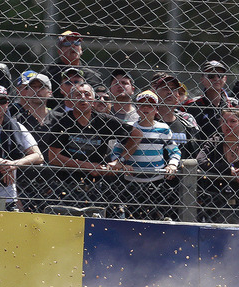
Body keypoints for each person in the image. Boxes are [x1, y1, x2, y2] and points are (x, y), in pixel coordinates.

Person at [46, 83, 141, 211]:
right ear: (71, 100)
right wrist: (86, 166)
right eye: (78, 95)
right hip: (66, 183)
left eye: (87, 94)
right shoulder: (62, 122)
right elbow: (53, 157)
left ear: (93, 101)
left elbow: (136, 135)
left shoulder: (104, 121)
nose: (83, 98)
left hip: (98, 186)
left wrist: (120, 161)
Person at [114, 90, 181, 221]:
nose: (146, 108)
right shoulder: (128, 127)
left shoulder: (163, 128)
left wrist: (172, 164)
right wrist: (121, 163)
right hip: (132, 181)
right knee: (132, 216)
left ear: (156, 109)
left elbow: (175, 151)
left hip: (157, 181)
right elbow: (116, 150)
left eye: (150, 105)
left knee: (156, 217)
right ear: (137, 109)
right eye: (142, 105)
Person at [11, 71, 55, 211]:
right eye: (32, 87)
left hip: (55, 182)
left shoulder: (60, 119)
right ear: (27, 91)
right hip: (22, 181)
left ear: (50, 92)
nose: (37, 91)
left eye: (41, 87)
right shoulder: (15, 120)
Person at [44, 31, 101, 107]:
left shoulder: (93, 75)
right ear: (59, 51)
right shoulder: (49, 74)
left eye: (77, 43)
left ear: (81, 50)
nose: (73, 46)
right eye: (67, 43)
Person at [151, 72, 201, 160]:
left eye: (173, 89)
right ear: (155, 93)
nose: (169, 92)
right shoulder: (147, 123)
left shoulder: (187, 125)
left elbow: (194, 155)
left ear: (178, 96)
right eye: (165, 88)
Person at [185, 60, 231, 139]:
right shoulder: (192, 105)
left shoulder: (233, 104)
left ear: (225, 78)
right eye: (211, 75)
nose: (216, 78)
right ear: (202, 79)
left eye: (220, 75)